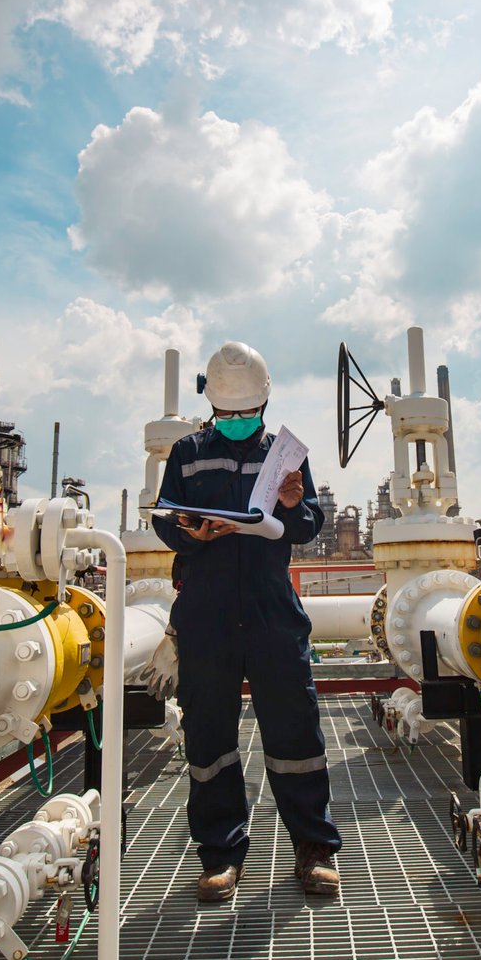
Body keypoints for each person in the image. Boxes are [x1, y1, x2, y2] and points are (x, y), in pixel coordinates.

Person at [146, 341, 342, 903]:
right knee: (208, 733)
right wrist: (192, 532)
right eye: (227, 416)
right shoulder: (185, 453)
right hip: (205, 608)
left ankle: (313, 848)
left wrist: (293, 503)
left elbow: (306, 528)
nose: (237, 423)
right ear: (209, 405)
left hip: (269, 606)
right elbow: (166, 522)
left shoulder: (287, 454)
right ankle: (220, 853)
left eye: (246, 414)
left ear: (264, 402)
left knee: (294, 727)